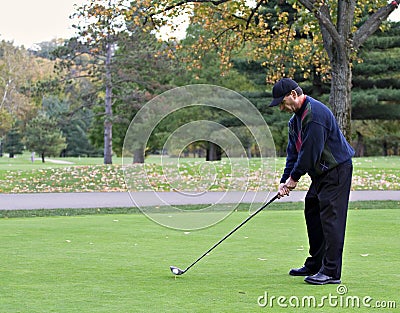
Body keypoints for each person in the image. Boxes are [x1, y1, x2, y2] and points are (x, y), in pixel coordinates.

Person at [269, 78, 355, 285]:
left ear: (293, 94)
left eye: (282, 102)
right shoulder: (295, 121)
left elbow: (310, 153)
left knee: (331, 220)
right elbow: (293, 153)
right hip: (321, 174)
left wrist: (294, 179)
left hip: (336, 171)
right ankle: (316, 263)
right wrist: (284, 180)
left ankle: (332, 272)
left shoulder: (315, 114)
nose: (281, 107)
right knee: (313, 211)